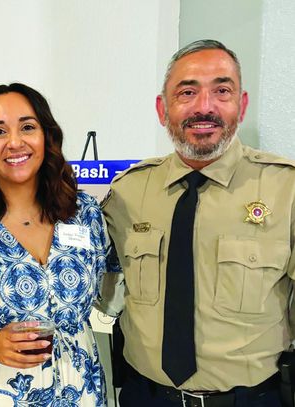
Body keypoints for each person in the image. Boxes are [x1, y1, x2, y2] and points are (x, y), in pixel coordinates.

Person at [101, 39, 294, 406]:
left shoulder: (286, 190)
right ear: (163, 108)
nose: (204, 107)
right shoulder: (127, 193)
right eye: (187, 92)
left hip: (252, 399)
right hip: (147, 397)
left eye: (222, 90)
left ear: (243, 104)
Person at [0, 83, 116, 406]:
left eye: (27, 127)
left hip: (80, 393)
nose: (15, 142)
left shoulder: (85, 215)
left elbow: (114, 291)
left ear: (46, 137)